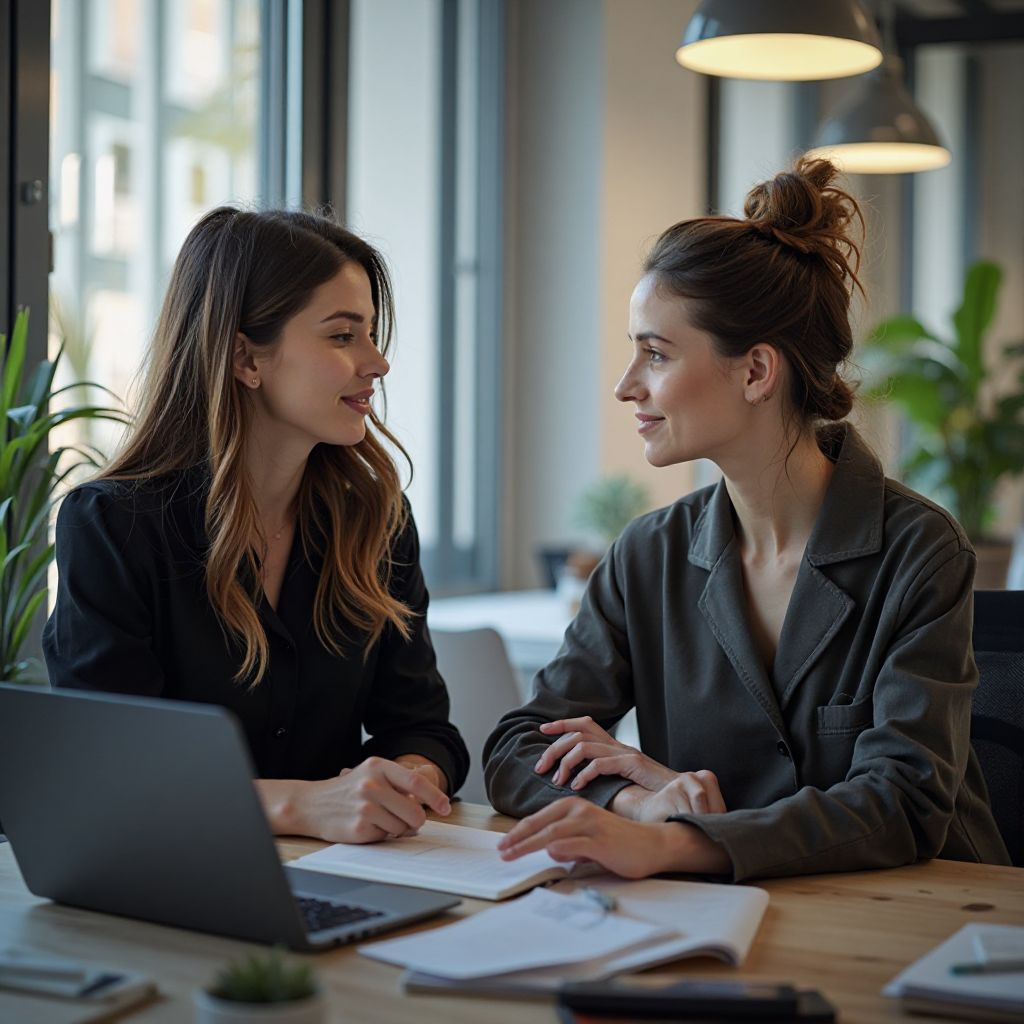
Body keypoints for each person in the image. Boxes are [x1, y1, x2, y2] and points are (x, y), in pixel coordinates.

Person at [484, 159, 1009, 881]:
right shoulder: (648, 554)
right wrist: (637, 803)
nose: (625, 385)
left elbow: (902, 802)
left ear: (758, 372)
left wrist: (681, 842)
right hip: (722, 913)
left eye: (656, 354)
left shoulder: (918, 550)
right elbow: (517, 747)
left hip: (919, 919)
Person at [43, 207, 469, 844]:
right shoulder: (112, 525)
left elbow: (424, 728)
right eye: (342, 336)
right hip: (172, 881)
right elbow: (113, 771)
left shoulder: (376, 519)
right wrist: (300, 806)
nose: (377, 364)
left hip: (345, 873)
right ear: (246, 358)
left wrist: (406, 777)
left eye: (372, 335)